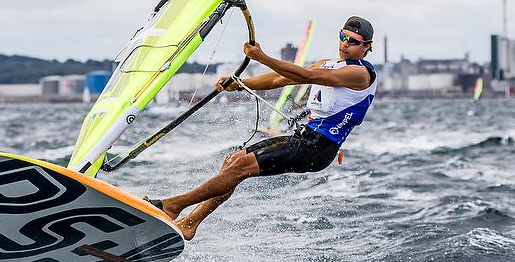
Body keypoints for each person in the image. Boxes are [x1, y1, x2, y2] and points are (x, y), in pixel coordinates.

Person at [149, 16, 377, 240]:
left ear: (366, 47)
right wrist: (240, 84)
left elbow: (305, 75)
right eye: (342, 37)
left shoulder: (360, 73)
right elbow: (281, 79)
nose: (345, 44)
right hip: (305, 137)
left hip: (318, 148)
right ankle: (191, 223)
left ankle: (174, 205)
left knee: (240, 166)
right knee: (234, 160)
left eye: (353, 41)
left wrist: (261, 57)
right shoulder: (328, 63)